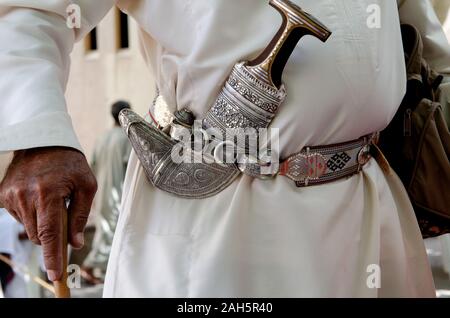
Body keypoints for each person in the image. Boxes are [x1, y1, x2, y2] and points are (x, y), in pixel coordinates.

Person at [0, 0, 449, 297]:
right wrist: (39, 137)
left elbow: (418, 31)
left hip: (372, 209)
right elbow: (32, 12)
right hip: (221, 213)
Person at [81, 101, 132, 285]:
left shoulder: (102, 138)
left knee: (105, 231)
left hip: (102, 193)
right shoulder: (127, 137)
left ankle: (105, 271)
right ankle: (89, 266)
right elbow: (130, 169)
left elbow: (91, 167)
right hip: (118, 194)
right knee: (113, 232)